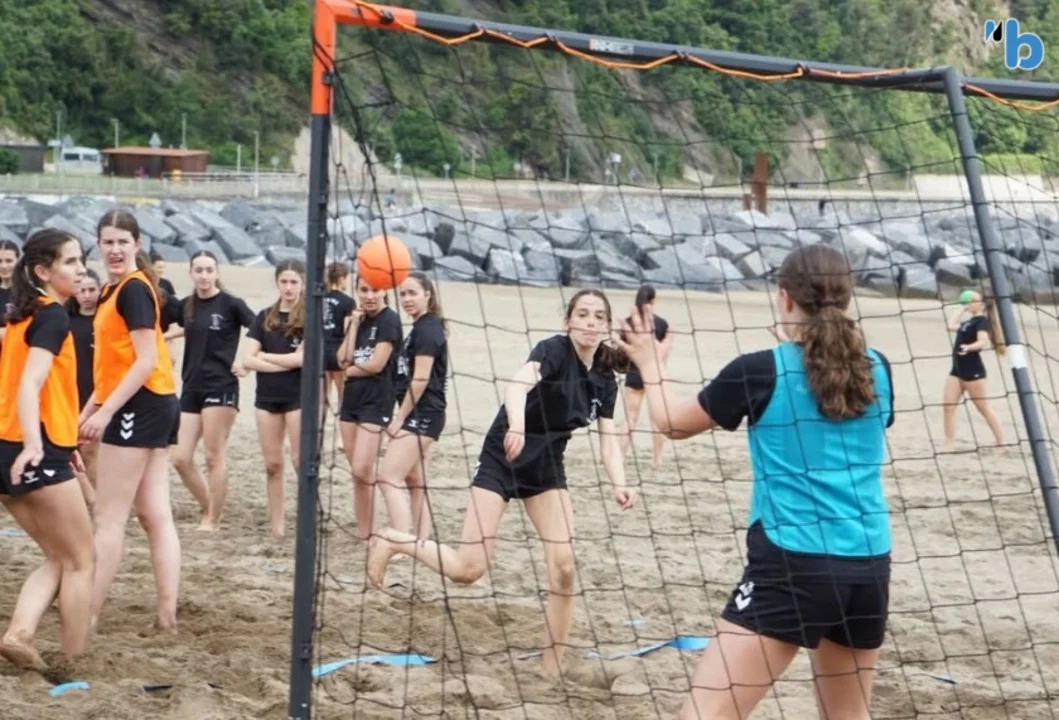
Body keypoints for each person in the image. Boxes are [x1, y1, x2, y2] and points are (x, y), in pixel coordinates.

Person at [614, 244, 895, 720]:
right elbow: (837, 407)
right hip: (868, 566)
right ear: (846, 296)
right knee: (848, 716)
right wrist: (800, 355)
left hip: (795, 562)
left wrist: (650, 362)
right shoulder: (878, 367)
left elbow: (671, 424)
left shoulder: (760, 370)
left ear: (784, 297)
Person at [367, 288, 637, 676]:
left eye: (598, 316)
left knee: (564, 568)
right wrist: (518, 426)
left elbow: (608, 442)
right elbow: (517, 385)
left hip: (545, 470)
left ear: (606, 326)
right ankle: (394, 540)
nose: (590, 322)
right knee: (468, 570)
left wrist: (619, 483)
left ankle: (550, 669)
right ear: (567, 321)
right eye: (582, 314)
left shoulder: (604, 379)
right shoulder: (553, 350)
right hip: (503, 456)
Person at [80, 209, 182, 633]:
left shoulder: (134, 290)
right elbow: (113, 364)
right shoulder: (111, 289)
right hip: (152, 402)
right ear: (98, 245)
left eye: (123, 241)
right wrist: (90, 407)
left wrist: (106, 412)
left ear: (137, 245)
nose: (115, 249)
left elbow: (145, 361)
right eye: (108, 242)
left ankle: (86, 616)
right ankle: (166, 618)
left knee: (110, 517)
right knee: (154, 515)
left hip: (141, 404)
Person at [0, 229, 95, 672]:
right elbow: (30, 383)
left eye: (81, 260)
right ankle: (76, 663)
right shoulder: (52, 315)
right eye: (70, 262)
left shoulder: (22, 314)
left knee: (59, 556)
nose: (81, 269)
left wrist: (64, 442)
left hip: (12, 448)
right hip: (32, 450)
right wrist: (38, 446)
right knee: (81, 560)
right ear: (42, 271)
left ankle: (20, 634)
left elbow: (44, 389)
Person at [168, 250, 256, 531]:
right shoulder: (187, 306)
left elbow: (261, 329)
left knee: (212, 456)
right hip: (191, 386)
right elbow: (191, 327)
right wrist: (166, 335)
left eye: (209, 270)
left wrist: (247, 363)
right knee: (180, 458)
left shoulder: (231, 304)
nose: (204, 276)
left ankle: (212, 519)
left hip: (221, 386)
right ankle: (210, 504)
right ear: (191, 273)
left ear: (217, 272)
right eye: (199, 270)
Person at [376, 272, 447, 540]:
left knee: (388, 478)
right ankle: (420, 543)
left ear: (428, 294)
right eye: (403, 294)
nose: (407, 299)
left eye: (413, 293)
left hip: (424, 414)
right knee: (416, 482)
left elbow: (420, 380)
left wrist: (399, 418)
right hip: (424, 413)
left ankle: (400, 542)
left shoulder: (428, 330)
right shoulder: (421, 327)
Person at [240, 259, 305, 536]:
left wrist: (266, 356)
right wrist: (281, 362)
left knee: (301, 462)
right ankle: (277, 527)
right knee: (272, 464)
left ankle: (306, 522)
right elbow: (247, 359)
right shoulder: (265, 316)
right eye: (284, 281)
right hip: (267, 398)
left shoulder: (308, 318)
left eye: (294, 282)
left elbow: (302, 360)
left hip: (298, 398)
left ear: (302, 283)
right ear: (277, 282)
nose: (288, 287)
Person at [336, 274, 402, 541]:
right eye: (364, 290)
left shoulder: (389, 320)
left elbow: (376, 364)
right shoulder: (359, 320)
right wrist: (352, 326)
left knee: (363, 469)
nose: (369, 295)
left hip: (376, 402)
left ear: (385, 291)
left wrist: (351, 371)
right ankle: (366, 534)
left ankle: (376, 532)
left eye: (375, 290)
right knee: (356, 474)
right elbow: (342, 359)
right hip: (351, 402)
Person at [942, 289, 1005, 451]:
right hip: (957, 370)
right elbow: (950, 326)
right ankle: (949, 444)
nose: (969, 303)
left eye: (973, 300)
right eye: (968, 300)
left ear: (982, 304)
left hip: (973, 371)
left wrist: (969, 347)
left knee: (983, 408)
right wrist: (960, 310)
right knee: (948, 406)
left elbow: (982, 341)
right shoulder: (968, 322)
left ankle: (1001, 443)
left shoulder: (982, 322)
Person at [618, 284, 673, 465]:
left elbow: (622, 353)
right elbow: (663, 354)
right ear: (653, 300)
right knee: (656, 419)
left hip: (634, 372)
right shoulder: (662, 324)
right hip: (654, 375)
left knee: (630, 418)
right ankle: (657, 459)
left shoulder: (628, 323)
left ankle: (620, 455)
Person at [66, 268, 102, 505]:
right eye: (82, 290)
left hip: (97, 394)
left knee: (90, 450)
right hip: (70, 393)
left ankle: (99, 502)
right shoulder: (65, 320)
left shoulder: (104, 320)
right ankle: (88, 500)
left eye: (92, 290)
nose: (87, 295)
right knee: (71, 450)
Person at [324, 261, 355, 408]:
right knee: (343, 396)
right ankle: (341, 422)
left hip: (320, 350)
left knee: (323, 398)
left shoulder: (319, 298)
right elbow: (347, 330)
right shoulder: (347, 302)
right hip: (338, 351)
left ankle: (320, 422)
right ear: (342, 278)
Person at [0, 239, 21, 347]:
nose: (3, 266)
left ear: (18, 262)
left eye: (9, 261)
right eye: (0, 261)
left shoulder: (27, 293)